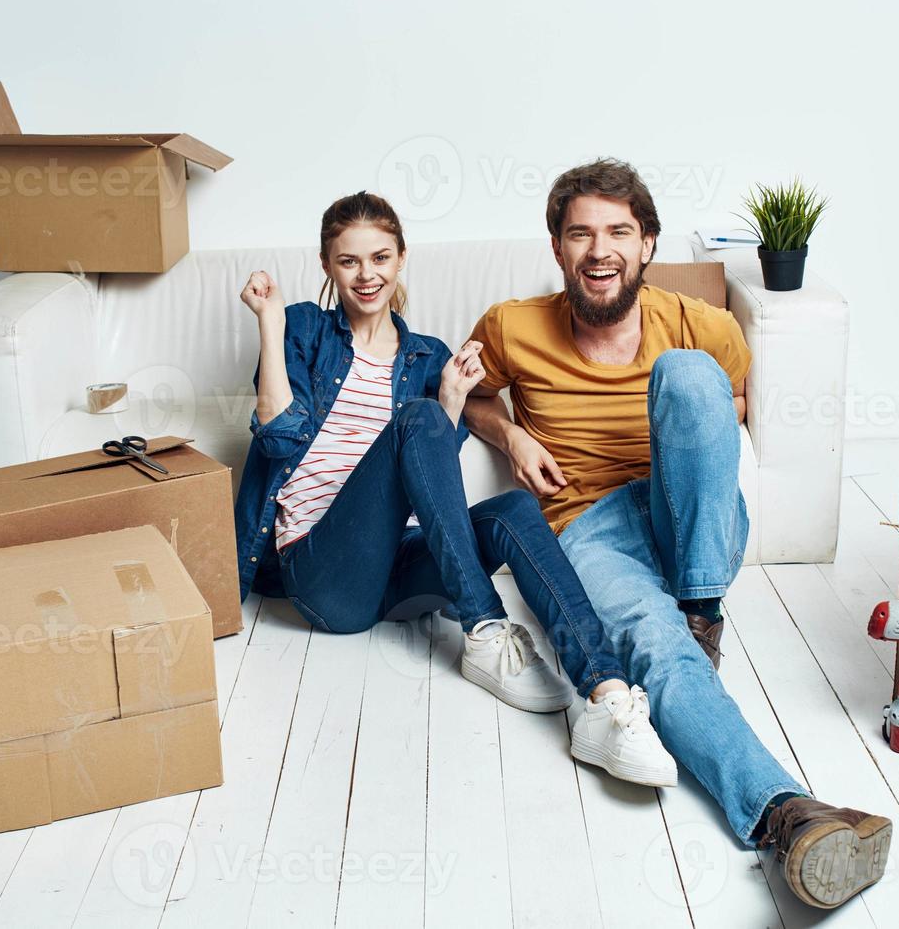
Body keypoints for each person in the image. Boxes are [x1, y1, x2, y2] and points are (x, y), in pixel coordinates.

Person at [462, 159, 893, 910]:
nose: (600, 251)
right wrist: (509, 435)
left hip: (686, 517)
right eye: (581, 234)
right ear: (558, 247)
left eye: (618, 232)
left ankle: (700, 607)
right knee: (653, 651)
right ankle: (786, 817)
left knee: (691, 377)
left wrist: (676, 453)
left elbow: (733, 402)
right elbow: (470, 395)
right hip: (588, 529)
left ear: (647, 243)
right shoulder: (510, 325)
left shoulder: (700, 324)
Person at [234, 191, 675, 787]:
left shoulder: (428, 357)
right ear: (326, 265)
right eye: (349, 261)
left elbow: (430, 479)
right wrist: (268, 320)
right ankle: (487, 631)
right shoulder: (304, 329)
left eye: (381, 258)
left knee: (514, 508)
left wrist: (452, 404)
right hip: (322, 574)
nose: (367, 276)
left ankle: (603, 693)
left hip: (397, 567)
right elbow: (278, 440)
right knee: (417, 419)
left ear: (401, 258)